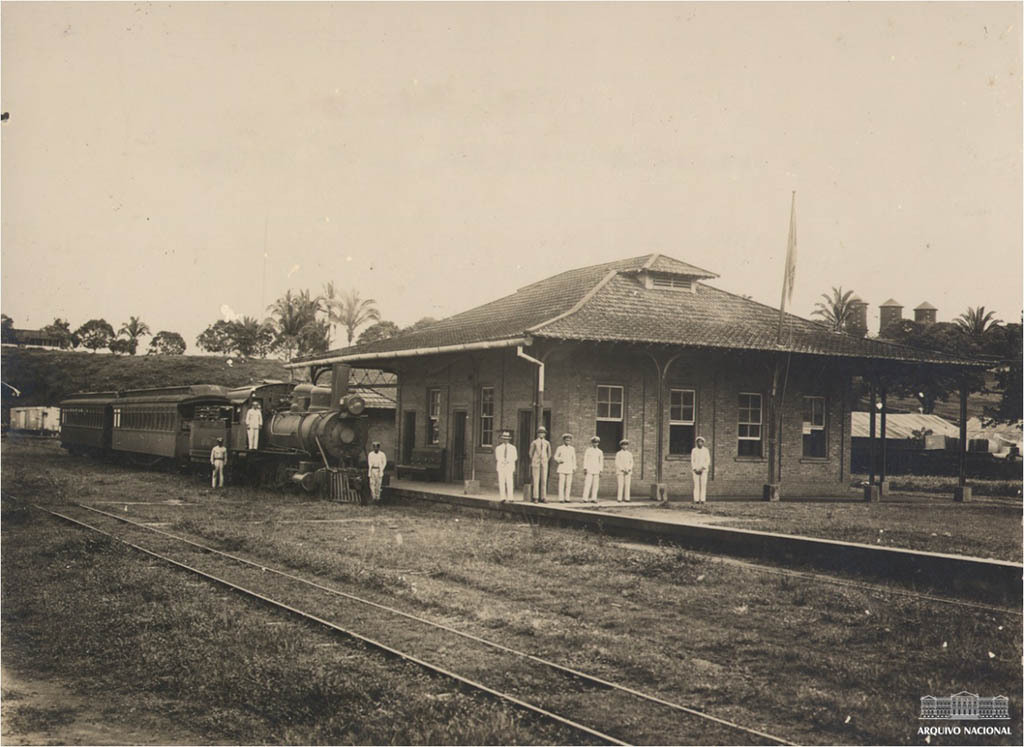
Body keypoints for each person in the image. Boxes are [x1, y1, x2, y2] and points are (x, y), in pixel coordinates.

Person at [528, 426, 551, 503]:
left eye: (543, 433)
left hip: (544, 462)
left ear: (545, 434)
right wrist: (534, 459)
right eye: (540, 433)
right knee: (536, 480)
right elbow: (530, 453)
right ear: (537, 434)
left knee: (544, 480)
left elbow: (549, 454)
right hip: (536, 462)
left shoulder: (547, 443)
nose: (541, 434)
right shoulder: (534, 442)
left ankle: (543, 497)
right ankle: (536, 497)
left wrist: (545, 459)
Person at [554, 433, 577, 502]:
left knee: (568, 484)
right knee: (561, 484)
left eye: (569, 440)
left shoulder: (572, 449)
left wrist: (574, 467)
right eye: (566, 440)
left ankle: (567, 498)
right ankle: (561, 498)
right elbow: (555, 456)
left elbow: (574, 459)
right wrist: (559, 460)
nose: (568, 441)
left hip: (569, 468)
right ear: (563, 441)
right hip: (562, 467)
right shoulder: (560, 448)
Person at [495, 430, 517, 501]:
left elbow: (515, 457)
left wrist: (508, 460)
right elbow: (497, 457)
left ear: (509, 439)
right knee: (501, 482)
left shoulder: (513, 448)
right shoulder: (498, 448)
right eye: (504, 439)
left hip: (509, 466)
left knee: (509, 481)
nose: (505, 440)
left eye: (507, 439)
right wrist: (502, 460)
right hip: (501, 466)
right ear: (502, 439)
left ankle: (510, 497)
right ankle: (502, 497)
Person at [582, 436, 603, 503]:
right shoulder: (588, 450)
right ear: (592, 443)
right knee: (587, 484)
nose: (595, 444)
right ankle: (585, 498)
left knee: (595, 485)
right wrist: (585, 468)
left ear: (598, 443)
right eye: (594, 442)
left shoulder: (600, 451)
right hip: (589, 469)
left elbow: (601, 461)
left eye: (596, 442)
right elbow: (585, 459)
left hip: (596, 470)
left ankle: (594, 498)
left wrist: (600, 470)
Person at [691, 435, 711, 504]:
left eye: (701, 442)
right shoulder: (694, 450)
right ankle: (696, 499)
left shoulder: (706, 450)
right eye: (698, 442)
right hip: (695, 470)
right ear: (696, 443)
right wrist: (695, 469)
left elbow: (707, 460)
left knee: (703, 484)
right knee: (696, 485)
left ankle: (702, 500)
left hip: (704, 470)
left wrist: (702, 468)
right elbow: (692, 461)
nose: (700, 443)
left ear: (703, 443)